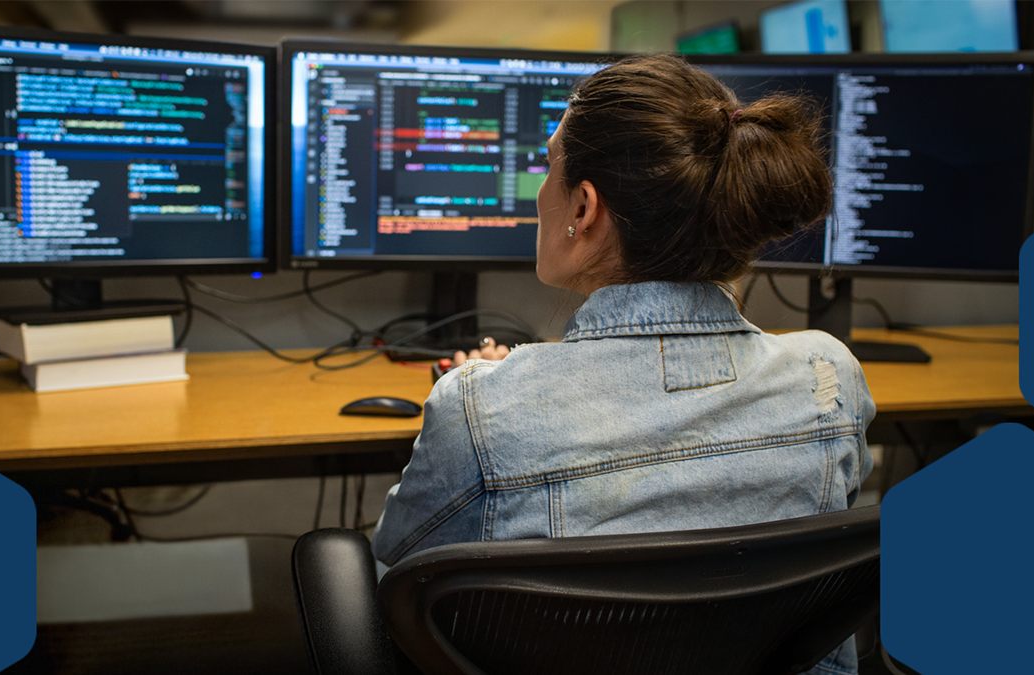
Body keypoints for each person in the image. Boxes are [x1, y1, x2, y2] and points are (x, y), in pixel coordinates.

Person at [371, 54, 874, 674]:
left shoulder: (476, 406)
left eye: (548, 165)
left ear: (582, 208)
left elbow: (398, 558)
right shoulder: (830, 378)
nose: (539, 191)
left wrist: (488, 396)